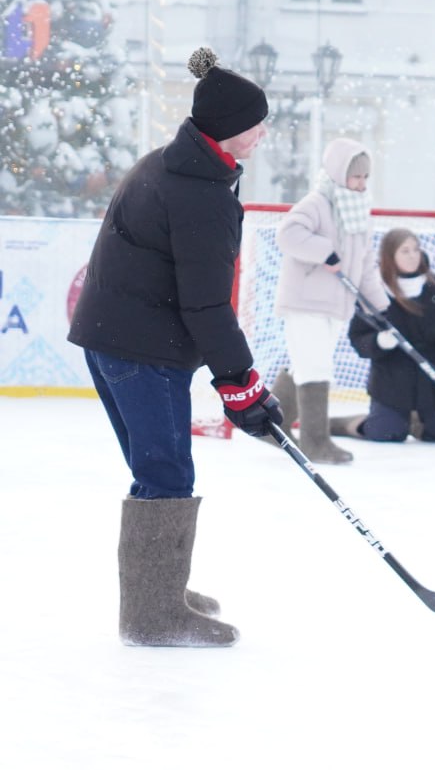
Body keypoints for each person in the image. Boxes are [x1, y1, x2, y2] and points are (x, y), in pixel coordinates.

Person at [67, 46, 282, 648]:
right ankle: (153, 616)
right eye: (255, 123)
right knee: (165, 472)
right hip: (141, 348)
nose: (262, 132)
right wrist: (241, 384)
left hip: (113, 338)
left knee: (156, 469)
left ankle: (158, 593)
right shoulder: (200, 194)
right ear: (227, 130)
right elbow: (207, 305)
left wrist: (238, 385)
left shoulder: (170, 165)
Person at [273, 138, 390, 464]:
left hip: (336, 305)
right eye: (356, 176)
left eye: (366, 177)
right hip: (306, 301)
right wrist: (324, 251)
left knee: (305, 365)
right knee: (315, 367)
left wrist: (380, 306)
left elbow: (365, 264)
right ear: (339, 173)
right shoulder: (317, 203)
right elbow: (288, 235)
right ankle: (315, 441)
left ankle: (273, 425)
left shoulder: (358, 212)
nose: (361, 183)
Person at [330, 228, 435, 444]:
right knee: (386, 433)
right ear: (390, 256)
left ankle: (416, 421)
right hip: (392, 381)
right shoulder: (375, 290)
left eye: (415, 249)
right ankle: (347, 423)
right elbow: (358, 338)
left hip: (431, 379)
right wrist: (378, 342)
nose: (413, 255)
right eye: (404, 251)